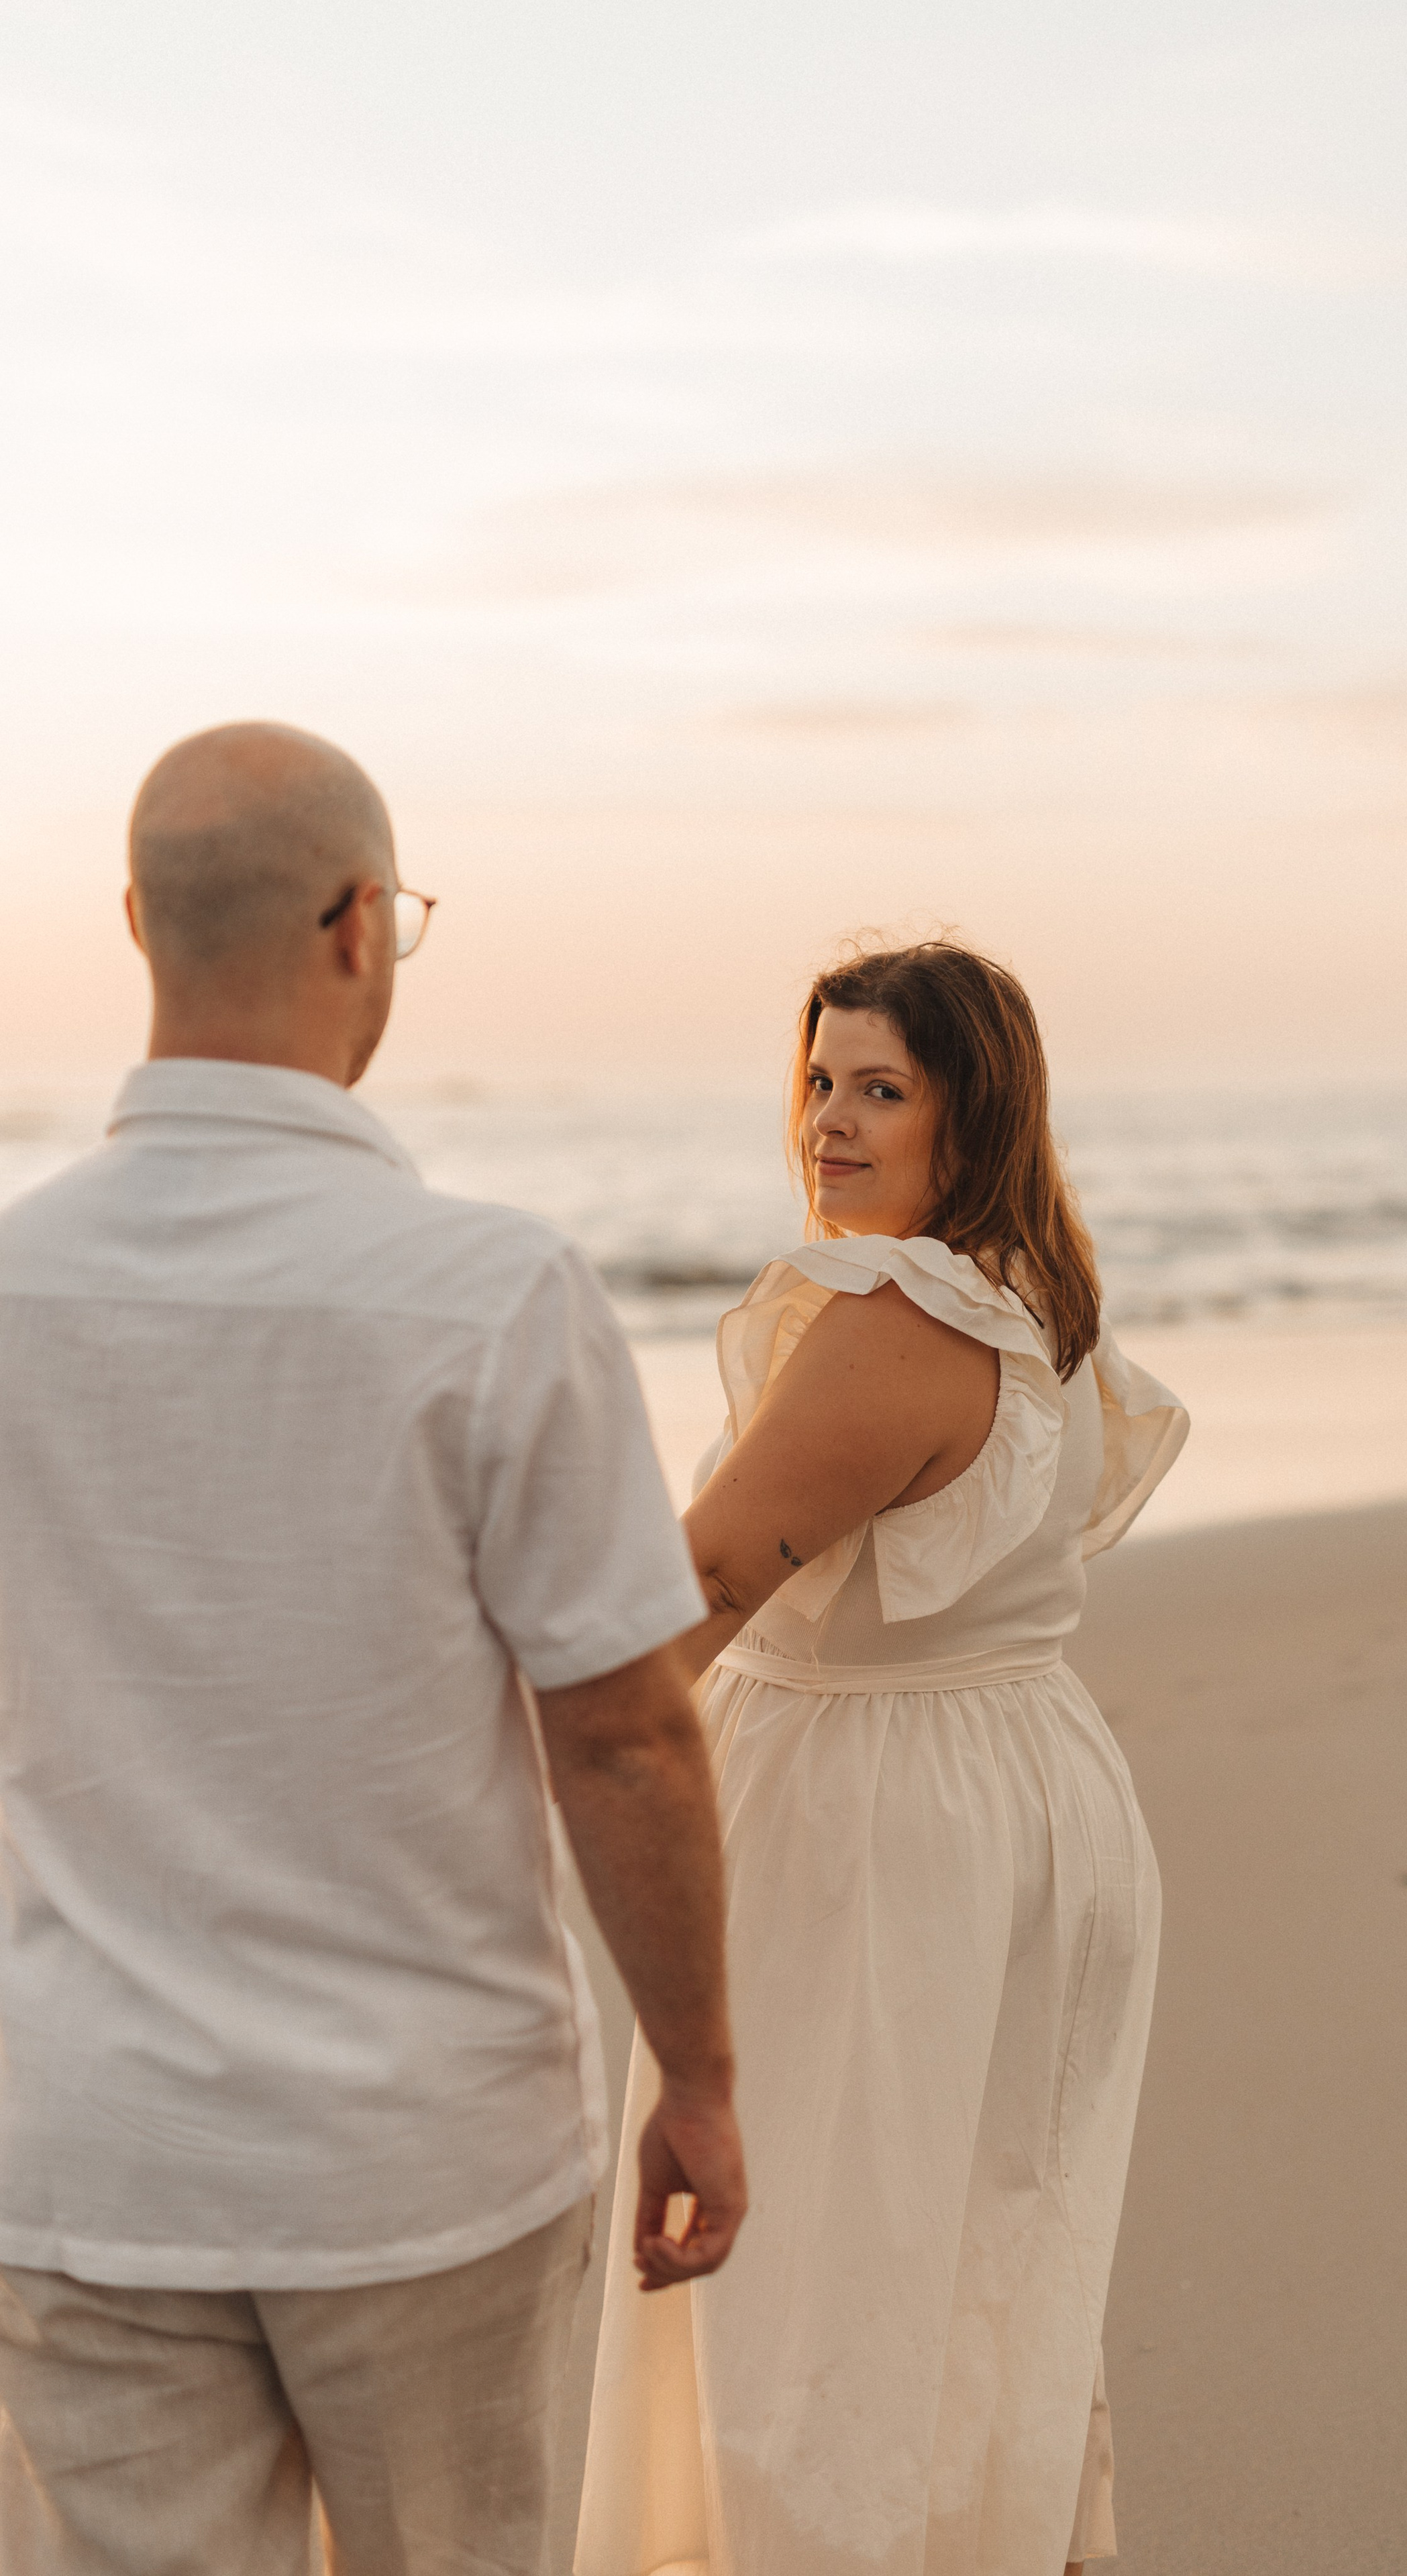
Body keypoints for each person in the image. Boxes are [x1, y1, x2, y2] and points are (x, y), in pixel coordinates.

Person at [0, 722, 745, 2576]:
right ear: (359, 928)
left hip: (88, 2144)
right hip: (420, 2151)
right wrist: (702, 2080)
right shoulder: (490, 1295)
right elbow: (628, 1737)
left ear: (134, 923)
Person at [576, 942, 1188, 2576]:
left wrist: (502, 1762)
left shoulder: (892, 1313)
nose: (827, 1124)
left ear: (966, 1113)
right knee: (969, 2266)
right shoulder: (1032, 1298)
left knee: (818, 2307)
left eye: (879, 1089)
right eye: (818, 1082)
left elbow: (699, 1589)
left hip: (874, 1823)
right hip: (1017, 1794)